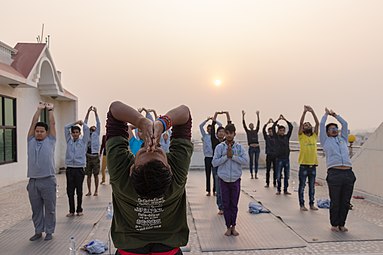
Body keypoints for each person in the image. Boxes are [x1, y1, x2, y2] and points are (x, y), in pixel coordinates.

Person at [106, 101, 193, 255]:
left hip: (129, 250)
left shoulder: (121, 175)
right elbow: (184, 113)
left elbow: (115, 110)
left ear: (131, 169)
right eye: (158, 149)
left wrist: (141, 122)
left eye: (143, 151)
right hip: (168, 250)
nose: (150, 146)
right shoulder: (177, 176)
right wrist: (162, 123)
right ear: (170, 169)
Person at [320, 108, 356, 232]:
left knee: (345, 201)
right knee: (335, 200)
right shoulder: (325, 141)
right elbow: (321, 125)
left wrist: (335, 115)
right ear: (327, 132)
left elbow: (345, 124)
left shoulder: (343, 139)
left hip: (348, 172)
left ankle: (342, 223)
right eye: (331, 128)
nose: (334, 130)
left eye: (335, 128)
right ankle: (334, 224)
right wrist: (326, 115)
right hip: (334, 173)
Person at [27, 102, 56, 241]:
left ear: (46, 133)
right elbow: (33, 123)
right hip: (33, 181)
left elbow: (53, 125)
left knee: (50, 208)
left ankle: (49, 231)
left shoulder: (50, 140)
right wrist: (38, 110)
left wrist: (50, 110)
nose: (38, 133)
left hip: (48, 180)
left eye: (41, 131)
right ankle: (38, 231)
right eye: (37, 131)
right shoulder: (30, 141)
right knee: (36, 209)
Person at [212, 123, 248, 236]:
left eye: (230, 133)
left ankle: (234, 226)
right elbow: (214, 163)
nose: (228, 135)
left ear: (234, 134)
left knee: (234, 204)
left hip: (236, 179)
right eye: (226, 133)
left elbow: (246, 161)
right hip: (223, 180)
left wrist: (233, 156)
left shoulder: (239, 147)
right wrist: (226, 157)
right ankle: (228, 227)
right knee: (226, 204)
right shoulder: (220, 147)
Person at [64, 118, 90, 217]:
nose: (75, 134)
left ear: (79, 133)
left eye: (77, 132)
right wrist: (74, 122)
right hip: (70, 168)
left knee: (79, 190)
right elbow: (66, 127)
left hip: (79, 168)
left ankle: (79, 209)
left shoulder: (83, 141)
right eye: (73, 132)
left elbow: (87, 130)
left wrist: (82, 123)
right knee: (70, 190)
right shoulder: (69, 141)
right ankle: (71, 210)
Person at [298, 105, 319, 211]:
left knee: (312, 187)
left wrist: (312, 111)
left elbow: (317, 123)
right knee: (302, 186)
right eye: (305, 125)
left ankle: (311, 204)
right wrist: (304, 112)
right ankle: (302, 205)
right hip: (303, 165)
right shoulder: (301, 136)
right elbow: (301, 123)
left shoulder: (314, 136)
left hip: (313, 165)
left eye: (308, 124)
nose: (306, 125)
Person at [211, 111, 231, 215]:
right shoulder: (214, 141)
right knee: (218, 188)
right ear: (217, 133)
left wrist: (227, 114)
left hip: (226, 166)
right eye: (219, 132)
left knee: (227, 187)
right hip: (216, 167)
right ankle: (221, 207)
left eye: (223, 132)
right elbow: (213, 126)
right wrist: (216, 115)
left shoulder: (227, 142)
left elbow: (230, 126)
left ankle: (227, 206)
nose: (221, 133)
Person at [200, 117, 221, 196]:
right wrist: (207, 120)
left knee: (215, 175)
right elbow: (200, 126)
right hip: (207, 157)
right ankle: (208, 190)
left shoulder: (215, 136)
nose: (209, 130)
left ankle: (215, 190)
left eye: (211, 129)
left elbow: (220, 125)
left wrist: (214, 121)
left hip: (214, 157)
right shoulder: (204, 136)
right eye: (208, 129)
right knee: (208, 174)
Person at [272, 114, 293, 195]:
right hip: (279, 159)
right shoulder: (276, 137)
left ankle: (285, 190)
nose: (282, 132)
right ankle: (278, 189)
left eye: (283, 130)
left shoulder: (286, 137)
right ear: (278, 131)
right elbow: (273, 128)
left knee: (286, 176)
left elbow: (291, 127)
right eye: (280, 130)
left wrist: (285, 120)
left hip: (286, 158)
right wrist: (277, 120)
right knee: (278, 175)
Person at [84, 106, 101, 196]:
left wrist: (95, 113)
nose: (93, 128)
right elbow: (85, 123)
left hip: (95, 156)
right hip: (88, 155)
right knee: (88, 175)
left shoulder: (96, 134)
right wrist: (88, 112)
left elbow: (98, 123)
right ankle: (89, 191)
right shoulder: (87, 134)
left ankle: (96, 190)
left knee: (96, 175)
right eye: (92, 128)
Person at [242, 110, 260, 179]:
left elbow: (258, 124)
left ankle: (256, 174)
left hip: (257, 147)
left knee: (256, 161)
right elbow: (244, 125)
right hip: (251, 147)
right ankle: (251, 174)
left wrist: (258, 116)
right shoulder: (248, 132)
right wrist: (243, 116)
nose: (252, 126)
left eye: (252, 125)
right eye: (250, 125)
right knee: (251, 161)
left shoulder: (256, 131)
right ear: (249, 126)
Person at [262, 118, 277, 188]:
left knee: (275, 170)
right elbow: (263, 130)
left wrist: (274, 123)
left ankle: (275, 182)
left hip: (275, 155)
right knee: (268, 170)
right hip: (269, 155)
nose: (271, 132)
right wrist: (267, 123)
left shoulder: (276, 137)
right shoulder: (267, 137)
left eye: (272, 131)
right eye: (269, 131)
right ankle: (267, 183)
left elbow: (278, 128)